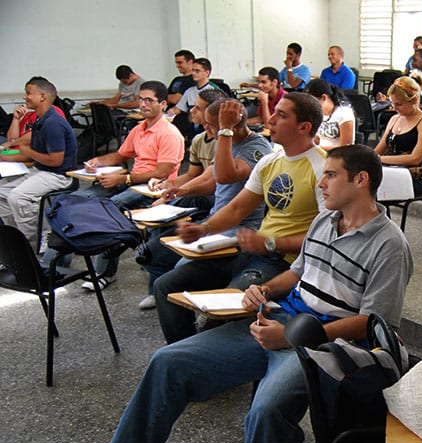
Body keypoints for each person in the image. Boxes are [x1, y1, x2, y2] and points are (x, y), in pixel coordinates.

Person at [64, 145, 414, 443]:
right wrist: (262, 288)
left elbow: (372, 322)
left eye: (330, 175)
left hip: (322, 345)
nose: (321, 183)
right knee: (169, 361)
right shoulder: (325, 220)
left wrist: (291, 337)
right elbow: (296, 274)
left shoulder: (389, 244)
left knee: (265, 411)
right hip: (280, 319)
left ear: (361, 180)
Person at [153, 92, 327, 344]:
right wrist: (203, 229)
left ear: (304, 127)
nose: (270, 122)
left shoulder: (322, 169)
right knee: (166, 285)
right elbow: (236, 209)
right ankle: (187, 358)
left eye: (281, 115)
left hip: (284, 262)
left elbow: (325, 242)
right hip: (251, 252)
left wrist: (270, 243)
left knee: (222, 311)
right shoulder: (270, 161)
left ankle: (206, 360)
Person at [137, 98, 270, 310]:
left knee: (182, 268)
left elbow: (227, 176)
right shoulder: (225, 142)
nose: (204, 127)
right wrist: (183, 189)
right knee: (153, 253)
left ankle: (184, 303)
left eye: (211, 124)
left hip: (241, 227)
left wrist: (225, 130)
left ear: (230, 126)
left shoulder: (257, 148)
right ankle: (168, 300)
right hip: (217, 219)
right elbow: (214, 180)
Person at [76, 81, 184, 289]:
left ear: (162, 104)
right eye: (141, 99)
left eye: (149, 100)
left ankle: (105, 272)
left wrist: (123, 180)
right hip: (132, 182)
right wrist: (99, 161)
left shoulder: (169, 134)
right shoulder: (138, 129)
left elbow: (162, 172)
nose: (143, 104)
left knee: (111, 209)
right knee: (83, 199)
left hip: (154, 189)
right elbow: (120, 155)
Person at [0, 77, 77, 249]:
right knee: (1, 193)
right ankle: (16, 239)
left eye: (29, 93)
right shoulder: (39, 120)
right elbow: (23, 150)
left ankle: (34, 244)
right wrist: (7, 155)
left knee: (18, 197)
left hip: (58, 175)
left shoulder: (53, 123)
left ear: (42, 96)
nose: (25, 97)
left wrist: (28, 152)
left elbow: (56, 160)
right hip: (40, 170)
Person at [374, 74, 422, 196]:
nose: (394, 108)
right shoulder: (394, 119)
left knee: (366, 190)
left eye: (399, 104)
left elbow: (415, 159)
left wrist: (379, 160)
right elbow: (378, 150)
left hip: (414, 178)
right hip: (390, 171)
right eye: (392, 104)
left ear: (413, 100)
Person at [305, 78, 355, 151]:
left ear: (324, 97)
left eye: (312, 100)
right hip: (320, 153)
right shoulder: (315, 113)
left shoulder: (344, 113)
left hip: (338, 156)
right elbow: (315, 139)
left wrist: (317, 148)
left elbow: (346, 147)